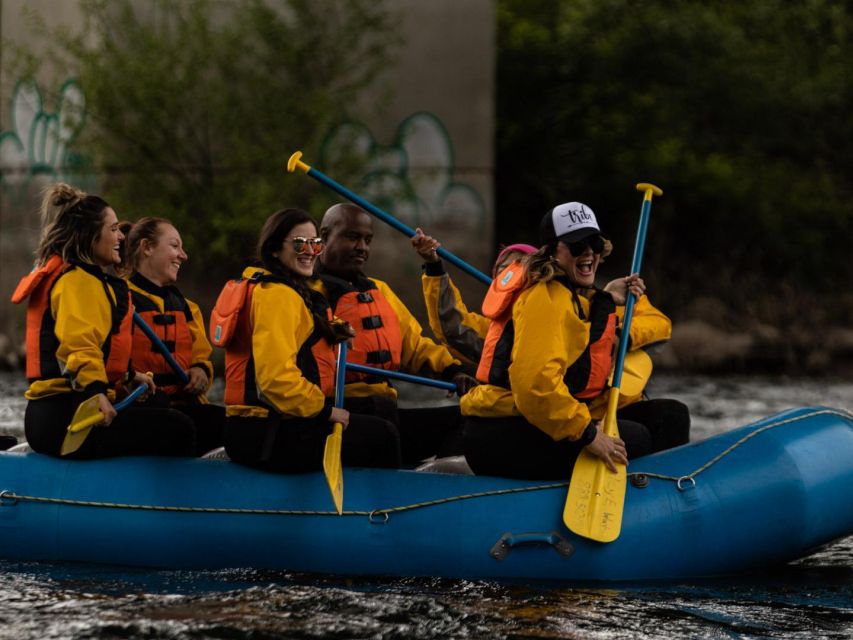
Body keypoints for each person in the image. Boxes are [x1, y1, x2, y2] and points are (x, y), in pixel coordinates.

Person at [461, 201, 690, 479]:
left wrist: (605, 296)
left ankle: (668, 494)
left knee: (670, 416)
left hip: (531, 420)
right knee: (637, 438)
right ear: (551, 253)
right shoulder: (543, 299)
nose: (589, 253)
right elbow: (535, 387)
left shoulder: (571, 293)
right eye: (577, 246)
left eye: (594, 243)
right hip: (500, 433)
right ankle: (641, 502)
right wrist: (589, 435)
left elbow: (582, 331)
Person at [11, 184, 196, 459]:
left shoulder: (92, 280)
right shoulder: (75, 281)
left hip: (72, 407)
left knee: (159, 403)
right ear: (89, 235)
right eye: (112, 230)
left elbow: (103, 347)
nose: (121, 235)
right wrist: (95, 392)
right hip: (64, 418)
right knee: (178, 427)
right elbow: (79, 346)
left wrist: (131, 376)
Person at [217, 208, 401, 472]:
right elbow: (275, 380)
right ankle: (387, 509)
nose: (309, 250)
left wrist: (333, 332)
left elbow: (305, 328)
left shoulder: (294, 291)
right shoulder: (276, 296)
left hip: (280, 420)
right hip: (264, 431)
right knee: (381, 434)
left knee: (378, 407)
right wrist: (325, 412)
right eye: (299, 243)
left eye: (315, 243)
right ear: (274, 250)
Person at [313, 203, 478, 466]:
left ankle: (428, 490)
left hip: (384, 409)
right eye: (352, 237)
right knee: (383, 429)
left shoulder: (379, 290)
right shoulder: (308, 292)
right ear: (324, 236)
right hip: (338, 413)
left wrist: (452, 372)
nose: (362, 248)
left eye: (367, 240)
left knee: (467, 418)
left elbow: (415, 344)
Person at [119, 217, 225, 455]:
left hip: (179, 405)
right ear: (147, 248)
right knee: (180, 426)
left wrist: (200, 371)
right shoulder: (120, 302)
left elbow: (202, 356)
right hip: (139, 407)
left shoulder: (187, 308)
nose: (183, 255)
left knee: (227, 421)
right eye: (175, 246)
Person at [411, 228, 536, 366]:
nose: (512, 275)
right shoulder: (493, 332)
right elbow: (453, 327)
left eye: (520, 269)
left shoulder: (554, 320)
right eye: (505, 269)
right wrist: (433, 265)